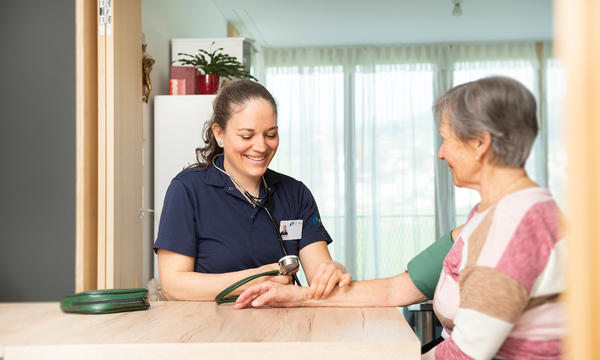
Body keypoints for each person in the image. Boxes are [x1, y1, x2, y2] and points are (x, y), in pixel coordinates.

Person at [235, 76, 564, 360]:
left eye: (446, 138)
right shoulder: (492, 214)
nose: (441, 152)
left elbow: (464, 355)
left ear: (480, 143)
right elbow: (396, 290)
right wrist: (298, 296)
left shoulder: (516, 224)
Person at [154, 80, 351, 301]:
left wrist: (332, 273)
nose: (261, 146)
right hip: (211, 329)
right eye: (247, 136)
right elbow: (174, 285)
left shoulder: (296, 194)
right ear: (219, 134)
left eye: (270, 134)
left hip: (282, 327)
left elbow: (319, 273)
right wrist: (256, 279)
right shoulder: (187, 190)